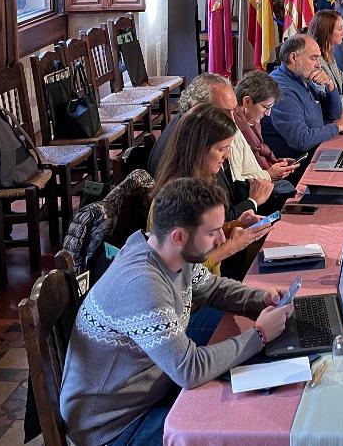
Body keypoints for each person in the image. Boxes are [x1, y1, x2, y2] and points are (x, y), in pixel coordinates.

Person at [61, 178, 292, 446]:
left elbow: (211, 287)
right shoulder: (142, 285)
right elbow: (189, 370)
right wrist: (259, 335)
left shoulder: (168, 252)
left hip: (150, 387)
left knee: (246, 381)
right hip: (115, 426)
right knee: (237, 423)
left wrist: (260, 299)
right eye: (213, 231)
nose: (221, 237)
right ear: (179, 236)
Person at [151, 105, 271, 278]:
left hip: (211, 283)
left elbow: (199, 235)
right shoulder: (177, 198)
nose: (227, 156)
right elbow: (181, 274)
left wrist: (236, 226)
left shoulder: (201, 180)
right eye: (221, 149)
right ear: (198, 148)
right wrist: (231, 247)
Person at [148, 73, 277, 211]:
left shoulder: (197, 132)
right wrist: (253, 202)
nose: (232, 120)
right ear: (198, 108)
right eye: (224, 112)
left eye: (234, 111)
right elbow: (215, 218)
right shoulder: (190, 145)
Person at [264, 34, 343, 157]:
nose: (318, 65)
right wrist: (337, 127)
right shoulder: (282, 89)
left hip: (316, 150)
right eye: (313, 58)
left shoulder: (301, 78)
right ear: (294, 58)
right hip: (298, 164)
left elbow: (334, 114)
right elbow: (301, 140)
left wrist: (330, 85)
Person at [233, 69, 299, 182]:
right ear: (247, 101)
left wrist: (276, 163)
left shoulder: (254, 124)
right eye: (266, 107)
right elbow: (236, 182)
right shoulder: (232, 133)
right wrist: (269, 174)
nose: (268, 113)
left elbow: (253, 163)